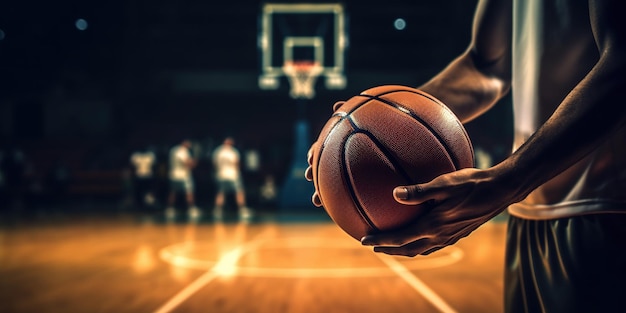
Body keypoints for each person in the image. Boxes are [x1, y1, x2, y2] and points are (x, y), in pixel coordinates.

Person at [305, 1, 626, 312]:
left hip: (606, 205)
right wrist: (368, 119)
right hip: (530, 210)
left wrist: (510, 179)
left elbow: (621, 64)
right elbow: (486, 68)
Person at [212, 137, 252, 220]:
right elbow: (237, 163)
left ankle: (218, 210)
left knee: (221, 192)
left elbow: (214, 164)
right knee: (239, 191)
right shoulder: (233, 151)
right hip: (232, 175)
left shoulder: (217, 151)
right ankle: (242, 209)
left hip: (221, 175)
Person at [165, 139, 200, 219]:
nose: (190, 144)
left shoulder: (173, 150)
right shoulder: (182, 151)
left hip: (173, 175)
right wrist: (194, 162)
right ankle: (191, 209)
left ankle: (170, 209)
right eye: (189, 142)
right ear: (184, 142)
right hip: (183, 176)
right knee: (189, 192)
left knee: (173, 192)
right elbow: (187, 163)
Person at [129, 146, 156, 210]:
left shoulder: (150, 155)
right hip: (139, 176)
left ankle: (148, 205)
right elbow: (131, 166)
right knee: (138, 192)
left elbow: (154, 166)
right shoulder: (136, 155)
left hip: (148, 176)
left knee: (148, 192)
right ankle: (139, 206)